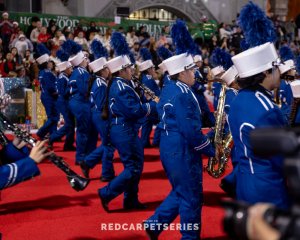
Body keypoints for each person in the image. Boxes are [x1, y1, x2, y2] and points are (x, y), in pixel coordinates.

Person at [145, 53, 215, 239]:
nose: (195, 73)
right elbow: (191, 132)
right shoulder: (183, 94)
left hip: (171, 147)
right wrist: (210, 149)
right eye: (192, 69)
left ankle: (154, 224)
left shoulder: (170, 87)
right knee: (191, 198)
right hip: (182, 149)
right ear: (183, 73)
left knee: (181, 191)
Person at [228, 42, 290, 209]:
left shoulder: (238, 99)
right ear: (265, 71)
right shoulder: (266, 109)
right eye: (276, 66)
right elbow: (282, 157)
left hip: (245, 180)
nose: (280, 72)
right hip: (268, 186)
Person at [98, 55, 158, 211]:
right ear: (122, 70)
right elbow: (134, 110)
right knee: (133, 167)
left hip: (125, 129)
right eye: (129, 68)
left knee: (135, 166)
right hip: (124, 129)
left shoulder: (121, 84)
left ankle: (131, 199)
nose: (132, 70)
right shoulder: (121, 87)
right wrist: (152, 105)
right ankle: (106, 193)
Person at [80, 56, 115, 182]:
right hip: (101, 116)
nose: (108, 71)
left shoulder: (98, 82)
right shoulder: (100, 84)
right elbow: (102, 105)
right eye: (106, 68)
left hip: (98, 115)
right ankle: (106, 173)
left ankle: (88, 163)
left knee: (108, 143)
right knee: (109, 144)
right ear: (102, 71)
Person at [49, 59, 76, 151]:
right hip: (64, 102)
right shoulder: (62, 78)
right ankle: (52, 138)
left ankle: (68, 144)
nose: (71, 69)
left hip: (65, 102)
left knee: (71, 124)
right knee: (69, 124)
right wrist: (72, 89)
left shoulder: (64, 77)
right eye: (69, 68)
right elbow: (63, 92)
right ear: (65, 69)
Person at [36, 50, 59, 140]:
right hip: (50, 96)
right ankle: (41, 132)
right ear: (45, 63)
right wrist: (58, 92)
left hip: (46, 96)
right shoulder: (47, 73)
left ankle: (53, 134)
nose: (51, 63)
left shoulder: (42, 72)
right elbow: (51, 87)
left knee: (53, 116)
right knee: (53, 117)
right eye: (49, 61)